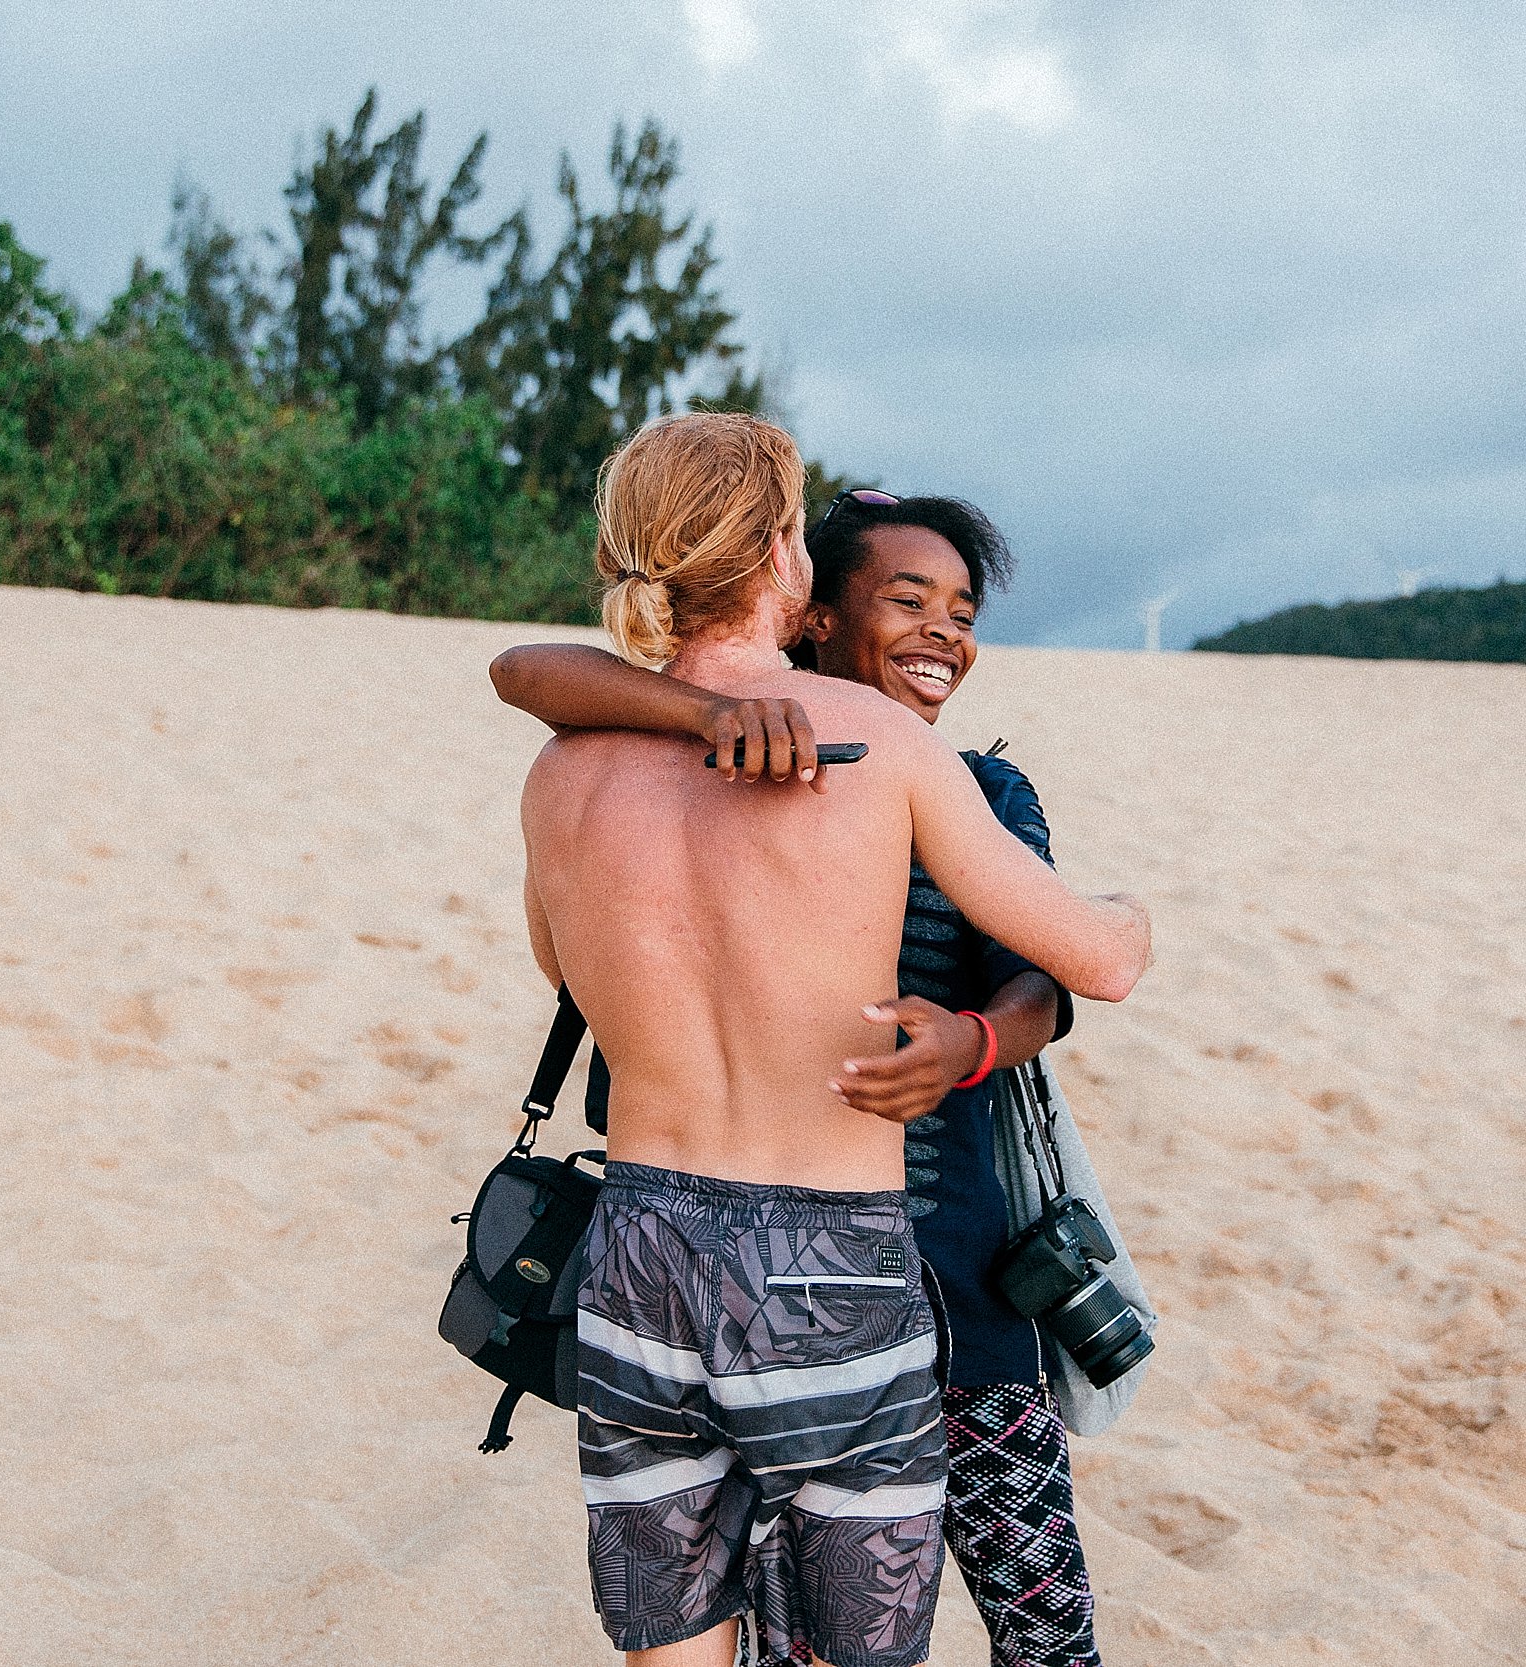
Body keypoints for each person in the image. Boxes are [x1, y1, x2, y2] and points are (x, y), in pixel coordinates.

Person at [516, 412, 1151, 1667]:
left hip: (636, 1240)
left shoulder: (562, 771)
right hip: (823, 1258)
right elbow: (1101, 962)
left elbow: (566, 976)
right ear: (782, 555)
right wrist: (1130, 914)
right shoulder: (881, 748)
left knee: (676, 1639)